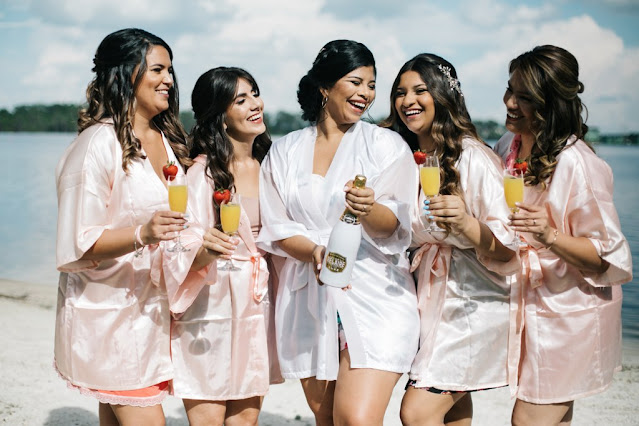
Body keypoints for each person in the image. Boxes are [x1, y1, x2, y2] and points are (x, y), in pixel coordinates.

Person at [257, 39, 420, 426]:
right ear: (325, 87)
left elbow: (397, 222)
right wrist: (313, 252)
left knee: (356, 419)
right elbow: (277, 227)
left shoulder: (385, 145)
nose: (366, 93)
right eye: (356, 82)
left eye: (372, 84)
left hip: (375, 292)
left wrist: (368, 209)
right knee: (326, 417)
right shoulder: (285, 151)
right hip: (308, 296)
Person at [54, 28, 190, 425]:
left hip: (152, 310)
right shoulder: (98, 143)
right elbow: (78, 242)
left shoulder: (165, 140)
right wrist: (141, 235)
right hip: (109, 315)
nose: (168, 79)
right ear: (126, 73)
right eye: (158, 70)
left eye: (171, 71)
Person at [494, 45, 633, 426]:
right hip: (530, 302)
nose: (509, 102)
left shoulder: (579, 164)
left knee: (528, 418)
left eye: (524, 97)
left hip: (570, 313)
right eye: (510, 90)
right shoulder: (509, 145)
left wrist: (550, 235)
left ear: (550, 102)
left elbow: (607, 257)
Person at [382, 53, 519, 425]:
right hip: (429, 298)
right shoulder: (406, 159)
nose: (407, 100)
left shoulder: (472, 157)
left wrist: (465, 224)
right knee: (453, 409)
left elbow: (510, 246)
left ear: (443, 95)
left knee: (417, 410)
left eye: (420, 90)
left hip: (473, 303)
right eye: (400, 92)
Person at [164, 66, 282, 426]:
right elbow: (179, 242)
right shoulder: (203, 173)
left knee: (245, 420)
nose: (254, 105)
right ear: (220, 115)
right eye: (240, 100)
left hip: (258, 300)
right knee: (208, 420)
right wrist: (205, 249)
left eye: (255, 93)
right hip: (211, 304)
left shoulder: (272, 164)